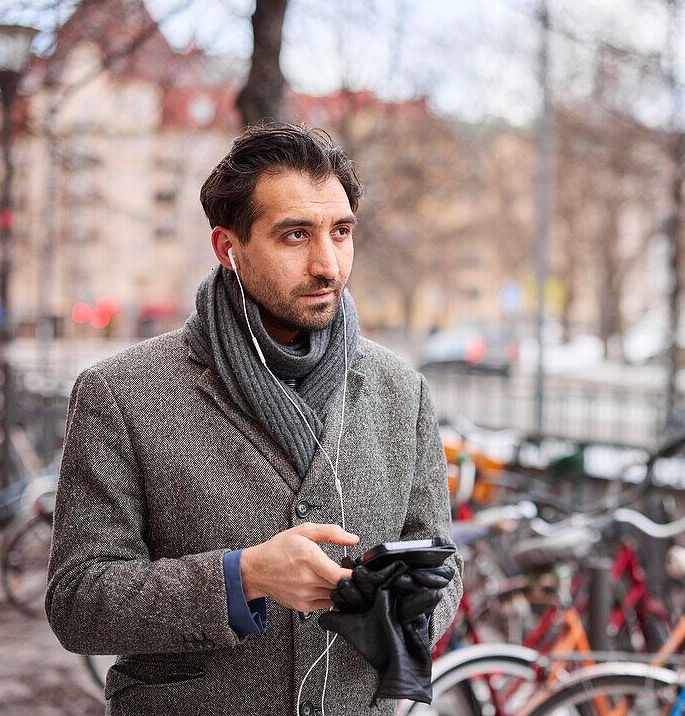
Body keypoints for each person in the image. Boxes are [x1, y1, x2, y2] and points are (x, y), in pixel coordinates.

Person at [46, 122, 462, 715]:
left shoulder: (401, 390)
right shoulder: (121, 392)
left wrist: (398, 607)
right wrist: (242, 578)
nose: (328, 265)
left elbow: (444, 563)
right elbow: (76, 602)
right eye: (295, 235)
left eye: (341, 233)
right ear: (228, 249)